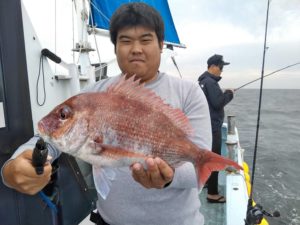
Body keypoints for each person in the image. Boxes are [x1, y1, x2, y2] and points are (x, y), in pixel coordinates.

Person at [1, 3, 212, 225]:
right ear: (115, 47)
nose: (136, 48)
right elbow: (46, 141)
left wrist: (168, 178)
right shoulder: (93, 93)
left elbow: (198, 169)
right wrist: (13, 167)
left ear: (161, 45)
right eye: (126, 40)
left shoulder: (189, 93)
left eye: (146, 40)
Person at [198, 54, 234, 203]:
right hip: (213, 128)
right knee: (213, 159)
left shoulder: (202, 81)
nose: (222, 70)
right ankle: (212, 193)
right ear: (212, 66)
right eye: (221, 67)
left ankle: (206, 182)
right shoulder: (211, 83)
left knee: (206, 159)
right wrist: (229, 94)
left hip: (205, 127)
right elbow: (218, 103)